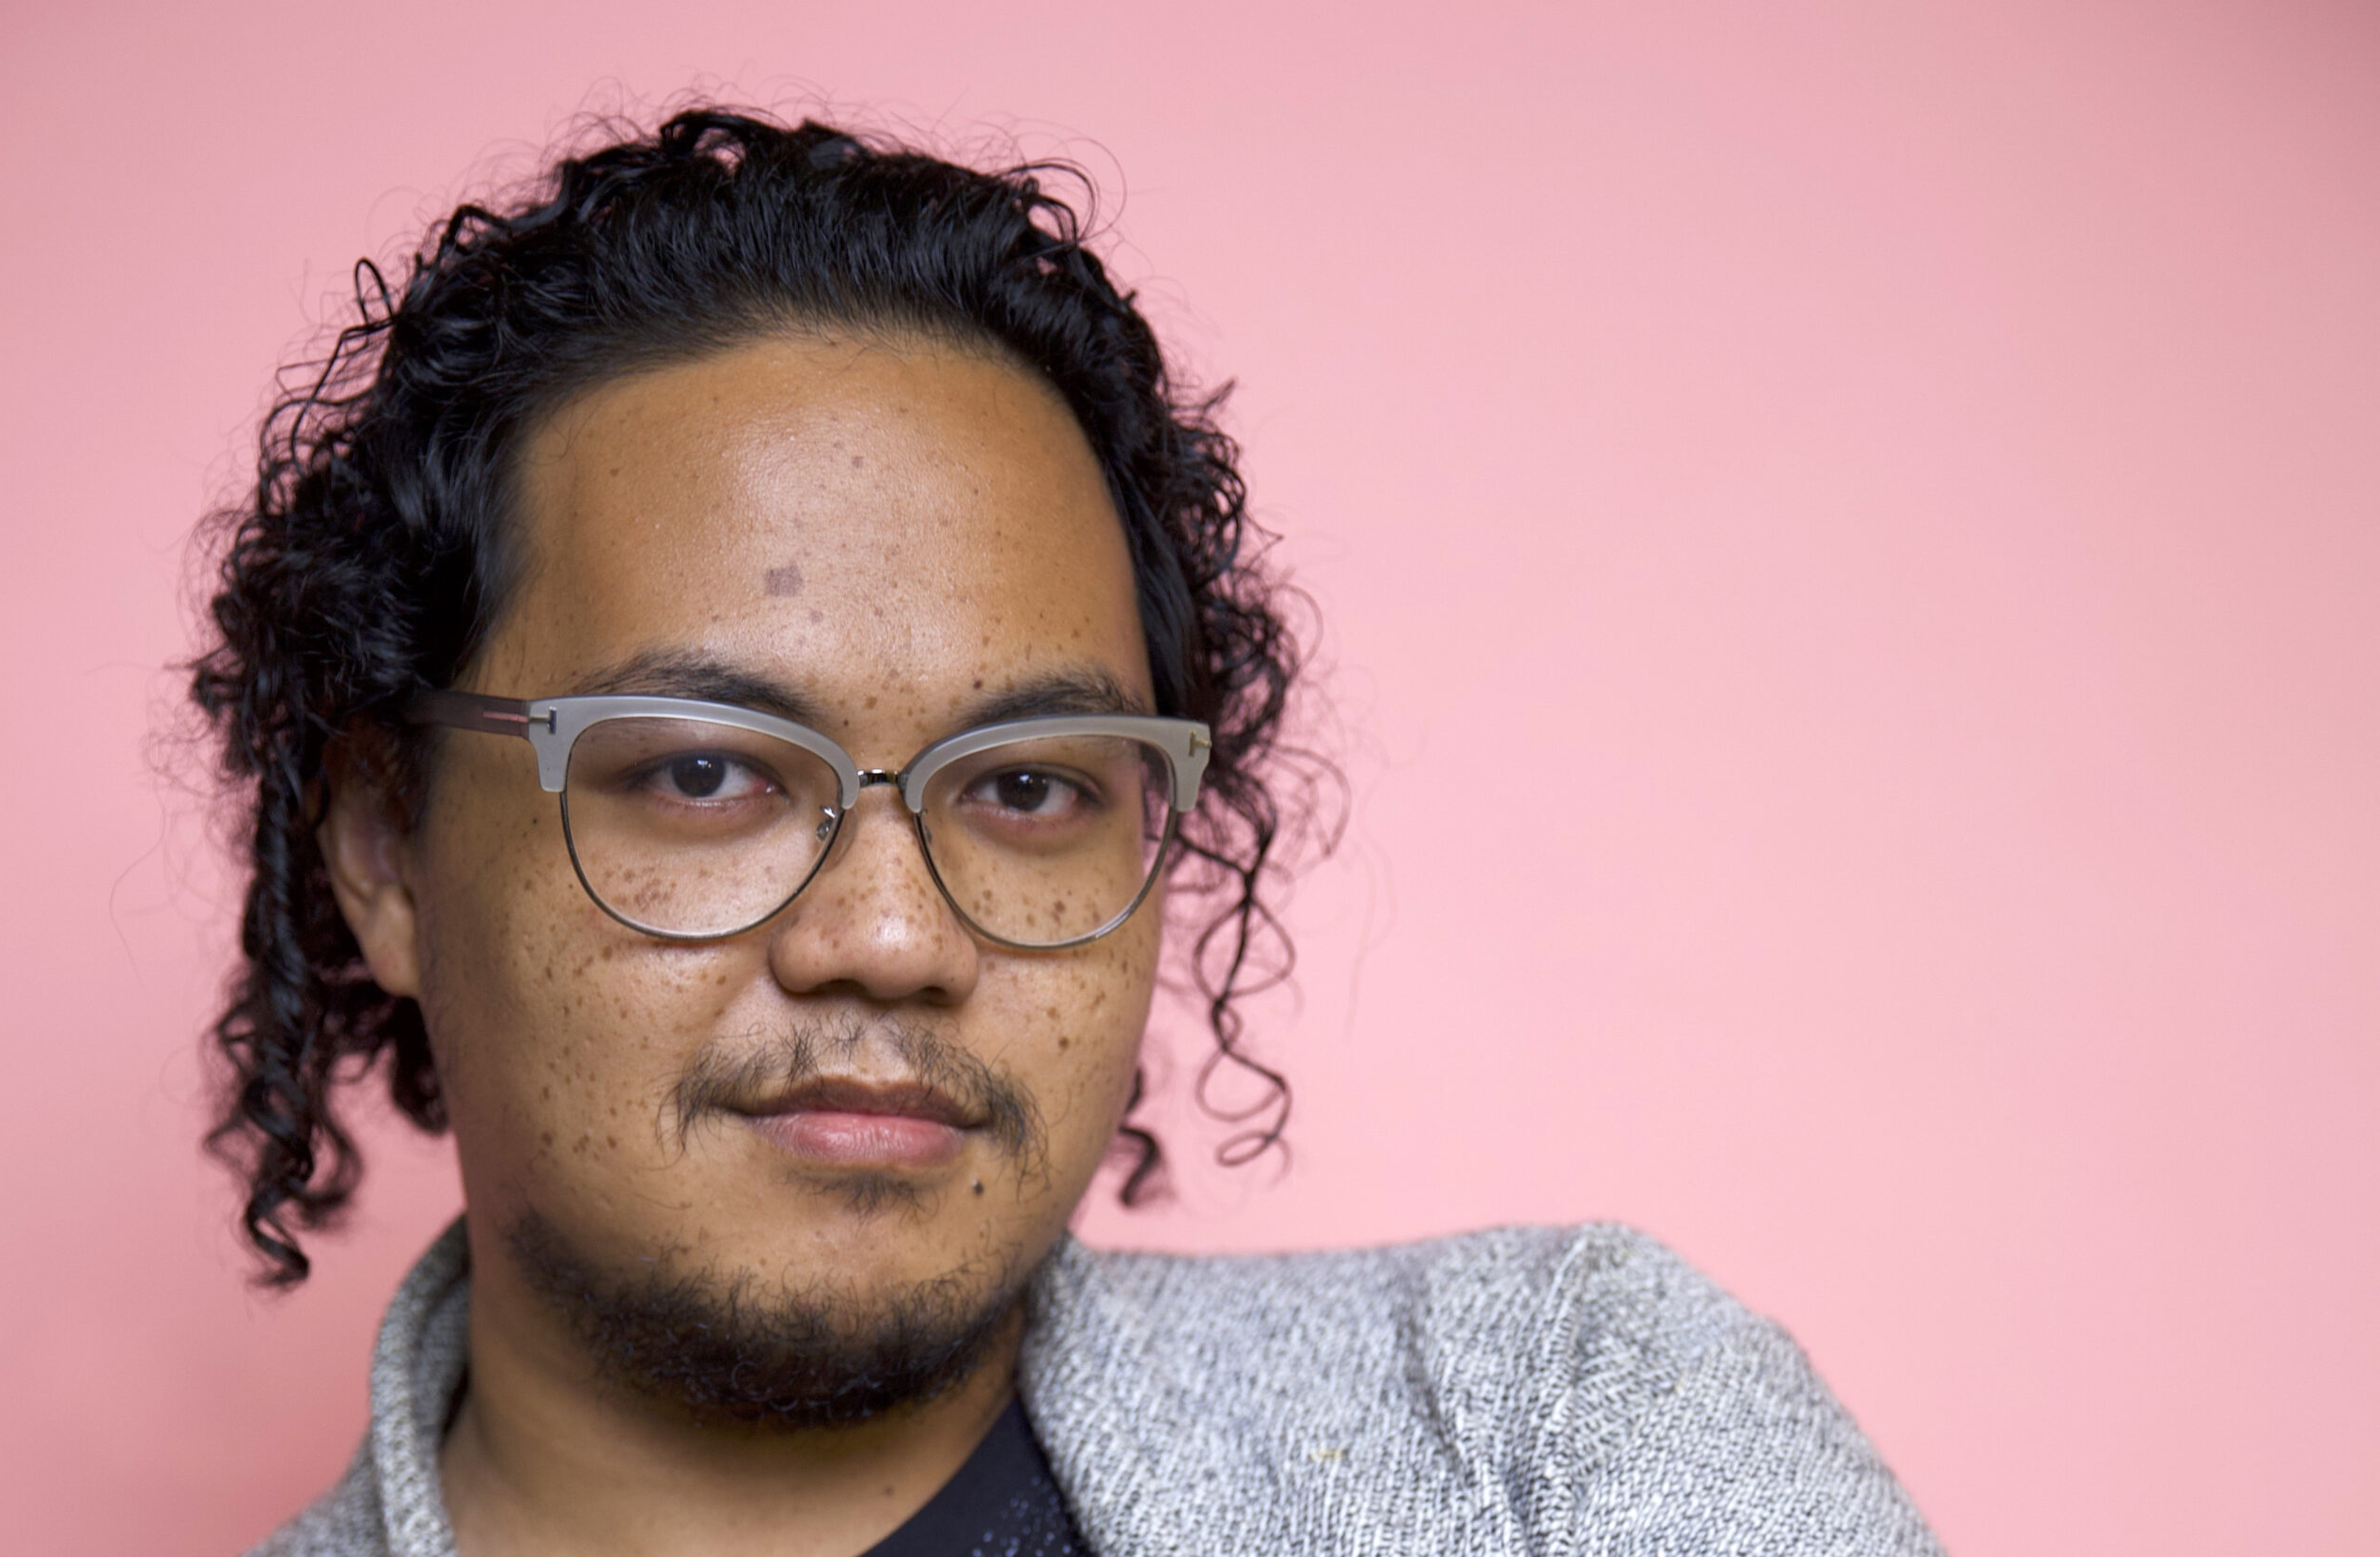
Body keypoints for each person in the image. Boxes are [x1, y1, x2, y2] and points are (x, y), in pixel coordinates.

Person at [192, 107, 1943, 1557]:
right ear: (386, 852)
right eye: (710, 770)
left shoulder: (1554, 1451)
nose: (892, 936)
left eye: (1028, 786)